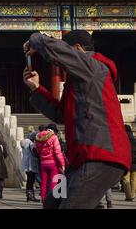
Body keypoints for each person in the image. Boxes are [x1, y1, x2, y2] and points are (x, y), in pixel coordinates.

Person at [23, 30, 131, 209]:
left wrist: (37, 40)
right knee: (52, 203)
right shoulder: (76, 82)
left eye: (68, 51)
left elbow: (58, 51)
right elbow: (60, 114)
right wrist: (36, 88)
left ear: (78, 49)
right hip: (82, 160)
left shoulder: (93, 66)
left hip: (99, 156)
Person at [34, 125, 65, 202]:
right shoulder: (54, 137)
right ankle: (50, 199)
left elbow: (37, 150)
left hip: (43, 163)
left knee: (44, 181)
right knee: (53, 181)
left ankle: (43, 198)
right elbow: (57, 152)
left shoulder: (39, 136)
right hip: (52, 163)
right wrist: (62, 164)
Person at [21, 131, 40, 202]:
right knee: (31, 181)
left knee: (29, 180)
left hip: (25, 164)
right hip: (31, 164)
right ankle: (31, 196)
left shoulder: (24, 143)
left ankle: (28, 195)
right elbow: (35, 153)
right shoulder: (31, 144)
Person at [122, 125, 136, 201]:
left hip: (126, 163)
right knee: (134, 179)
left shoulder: (122, 140)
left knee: (125, 179)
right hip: (135, 163)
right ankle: (133, 195)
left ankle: (128, 196)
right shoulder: (135, 140)